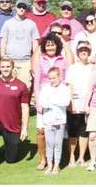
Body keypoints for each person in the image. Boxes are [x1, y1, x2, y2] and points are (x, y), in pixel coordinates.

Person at [0, 56, 30, 172]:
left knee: (11, 160)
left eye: (8, 66)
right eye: (3, 67)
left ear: (12, 67)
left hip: (13, 125)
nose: (6, 69)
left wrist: (25, 128)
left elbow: (25, 108)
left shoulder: (21, 86)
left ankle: (6, 146)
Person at [32, 35, 70, 170]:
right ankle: (44, 160)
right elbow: (36, 83)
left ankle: (58, 161)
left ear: (57, 46)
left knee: (59, 132)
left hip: (59, 103)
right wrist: (38, 103)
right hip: (44, 102)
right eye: (47, 45)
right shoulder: (40, 61)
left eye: (52, 45)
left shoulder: (63, 60)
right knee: (41, 131)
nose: (50, 47)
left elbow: (66, 80)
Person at [64, 41, 94, 168]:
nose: (83, 52)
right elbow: (69, 86)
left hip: (87, 104)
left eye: (86, 50)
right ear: (77, 52)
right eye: (81, 50)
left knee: (84, 131)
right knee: (72, 132)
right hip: (75, 102)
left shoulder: (92, 68)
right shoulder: (73, 68)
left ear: (89, 52)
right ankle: (72, 157)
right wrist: (71, 104)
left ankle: (81, 157)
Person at [0, 0, 40, 90]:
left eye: (24, 7)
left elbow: (35, 43)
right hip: (10, 60)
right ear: (15, 7)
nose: (21, 9)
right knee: (7, 88)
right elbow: (3, 41)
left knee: (25, 88)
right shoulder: (8, 23)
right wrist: (3, 58)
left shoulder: (32, 24)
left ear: (27, 9)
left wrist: (35, 61)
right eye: (19, 6)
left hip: (25, 62)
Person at [36, 67, 70, 175]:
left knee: (58, 143)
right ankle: (49, 165)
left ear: (59, 77)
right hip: (48, 119)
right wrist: (50, 103)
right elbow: (42, 101)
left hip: (60, 120)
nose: (52, 80)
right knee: (49, 143)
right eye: (50, 78)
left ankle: (56, 165)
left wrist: (53, 101)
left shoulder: (64, 88)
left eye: (54, 78)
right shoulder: (46, 88)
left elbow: (65, 102)